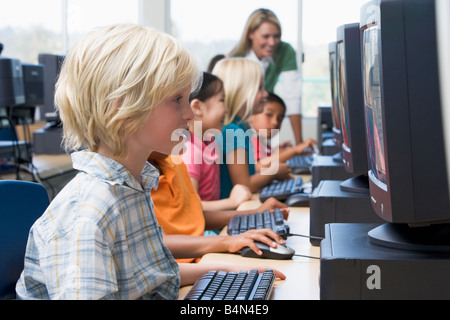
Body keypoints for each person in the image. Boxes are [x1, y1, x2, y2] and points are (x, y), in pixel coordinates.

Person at [15, 24, 285, 300]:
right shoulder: (88, 216)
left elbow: (152, 276)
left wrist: (231, 271)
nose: (189, 114)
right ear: (123, 109)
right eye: (177, 99)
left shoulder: (132, 184)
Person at [149, 152, 289, 263]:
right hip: (179, 267)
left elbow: (195, 216)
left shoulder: (173, 162)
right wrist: (228, 242)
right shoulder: (132, 178)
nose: (189, 116)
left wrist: (255, 213)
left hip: (201, 256)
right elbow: (158, 243)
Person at [212, 57, 293, 200]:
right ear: (240, 92)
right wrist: (274, 173)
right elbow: (245, 185)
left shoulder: (238, 127)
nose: (266, 94)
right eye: (259, 88)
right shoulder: (233, 131)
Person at [229, 8, 304, 145]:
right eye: (266, 36)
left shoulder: (284, 51)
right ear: (250, 34)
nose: (272, 42)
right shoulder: (235, 60)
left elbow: (293, 97)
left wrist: (299, 143)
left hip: (258, 126)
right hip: (239, 123)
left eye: (276, 36)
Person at [181, 71, 252, 211]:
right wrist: (231, 202)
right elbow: (190, 207)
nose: (226, 109)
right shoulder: (190, 150)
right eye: (222, 100)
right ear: (197, 107)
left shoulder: (208, 143)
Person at [250, 92, 317, 172]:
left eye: (279, 119)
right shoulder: (252, 140)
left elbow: (266, 157)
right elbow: (258, 166)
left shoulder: (261, 141)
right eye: (269, 115)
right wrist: (293, 151)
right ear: (250, 115)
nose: (275, 122)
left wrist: (278, 150)